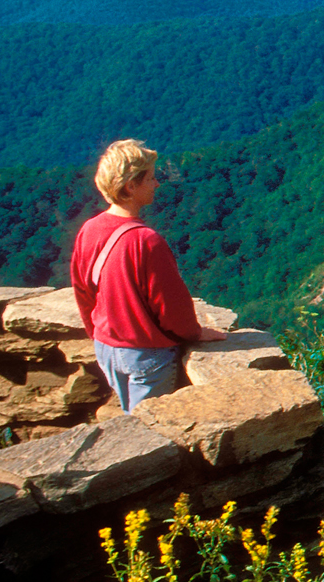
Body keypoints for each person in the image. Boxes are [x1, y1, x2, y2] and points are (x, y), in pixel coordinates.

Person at [71, 139, 226, 412]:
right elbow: (171, 306)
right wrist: (195, 333)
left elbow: (83, 289)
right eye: (151, 178)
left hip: (106, 347)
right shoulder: (147, 241)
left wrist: (96, 332)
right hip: (146, 354)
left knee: (130, 422)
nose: (157, 184)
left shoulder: (90, 229)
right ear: (131, 187)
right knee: (150, 434)